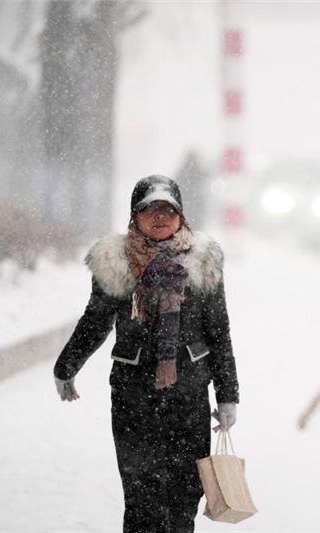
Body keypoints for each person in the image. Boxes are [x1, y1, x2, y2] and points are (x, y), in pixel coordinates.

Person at [52, 174, 240, 533]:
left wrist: (227, 395)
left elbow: (219, 332)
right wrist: (67, 366)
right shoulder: (116, 264)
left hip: (189, 399)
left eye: (167, 210)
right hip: (133, 399)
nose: (159, 217)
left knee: (185, 496)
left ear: (180, 216)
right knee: (142, 497)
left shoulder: (203, 262)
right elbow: (96, 321)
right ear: (134, 216)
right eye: (149, 210)